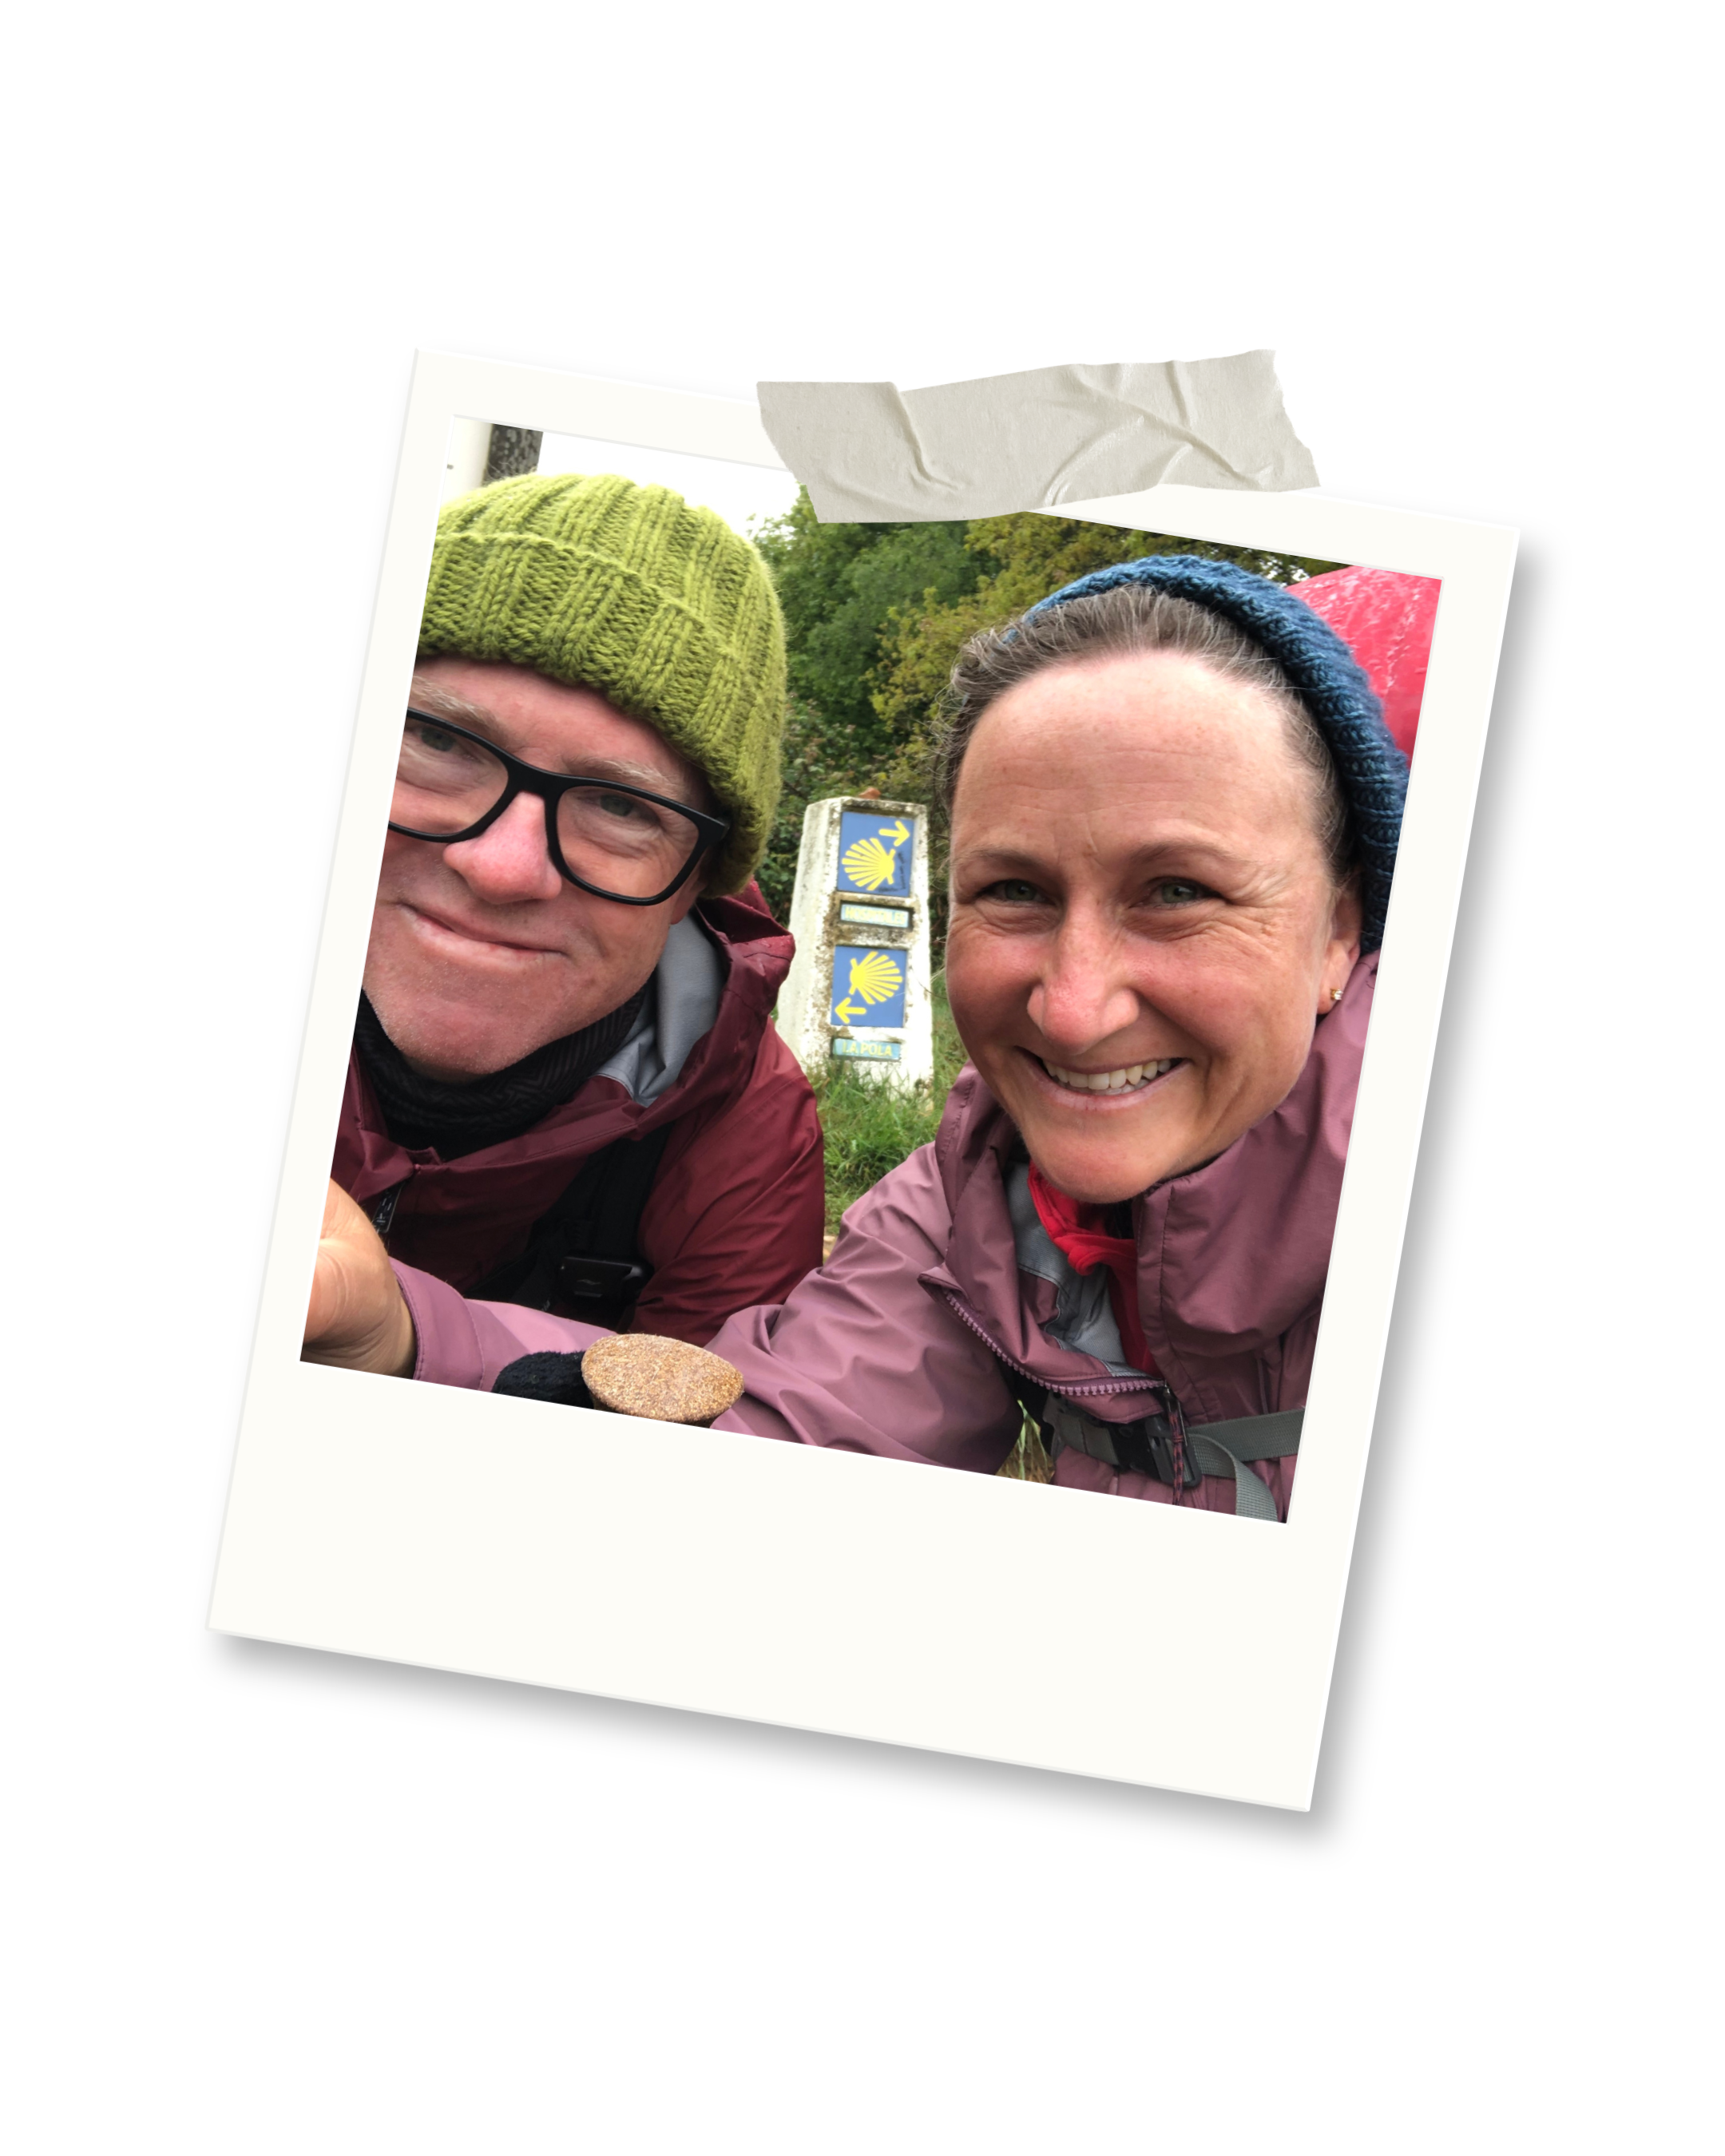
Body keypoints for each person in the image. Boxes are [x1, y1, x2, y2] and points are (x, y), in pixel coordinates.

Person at [314, 552, 1406, 1524]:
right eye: (1014, 889)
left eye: (1178, 890)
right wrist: (395, 1335)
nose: (1076, 1008)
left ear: (1342, 931)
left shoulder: (753, 1127)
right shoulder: (968, 1210)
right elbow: (778, 1448)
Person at [303, 470, 827, 1374]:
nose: (501, 867)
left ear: (694, 882)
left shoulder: (743, 1136)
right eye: (438, 742)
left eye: (623, 808)